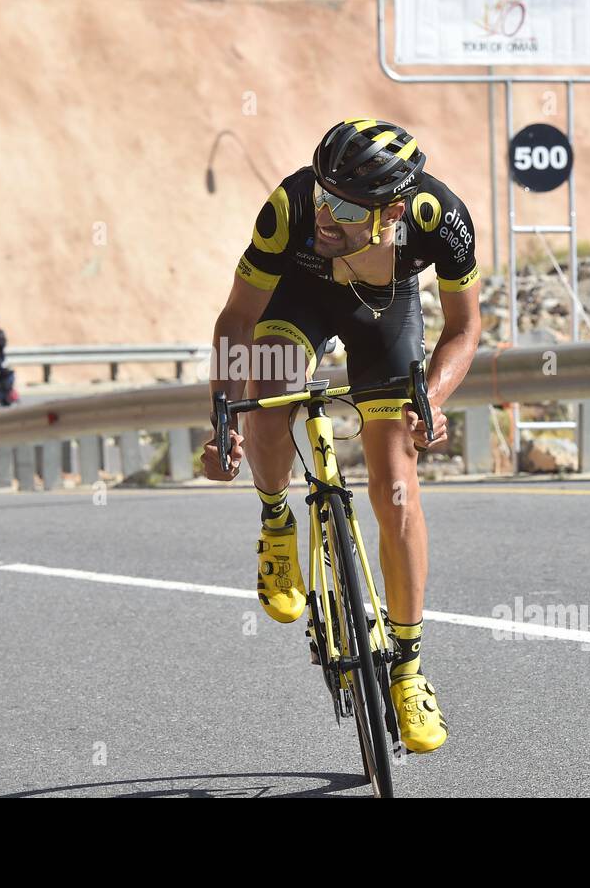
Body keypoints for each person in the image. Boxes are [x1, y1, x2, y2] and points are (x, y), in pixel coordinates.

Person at [200, 119, 483, 755]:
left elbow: (464, 328)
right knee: (267, 404)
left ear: (396, 212)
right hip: (295, 301)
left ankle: (408, 670)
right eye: (326, 193)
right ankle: (277, 523)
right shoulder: (292, 206)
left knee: (395, 483)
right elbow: (238, 316)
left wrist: (431, 403)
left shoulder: (441, 218)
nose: (328, 214)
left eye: (348, 206)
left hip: (382, 312)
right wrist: (221, 418)